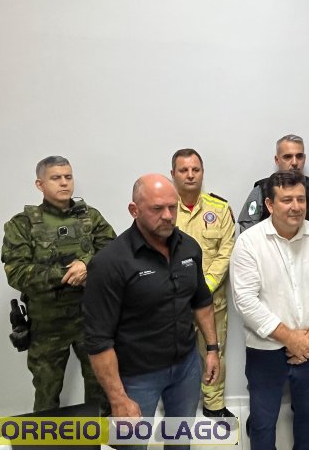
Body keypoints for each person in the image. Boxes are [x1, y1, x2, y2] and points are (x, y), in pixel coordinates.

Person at [83, 174, 220, 450]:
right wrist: (118, 398)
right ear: (134, 210)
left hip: (186, 368)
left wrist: (212, 349)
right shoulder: (110, 262)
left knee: (180, 442)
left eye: (172, 207)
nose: (168, 216)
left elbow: (202, 301)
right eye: (157, 209)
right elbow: (98, 340)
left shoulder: (189, 248)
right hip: (136, 377)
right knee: (132, 445)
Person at [231, 170, 309, 450]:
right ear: (269, 205)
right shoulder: (249, 242)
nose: (296, 206)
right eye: (287, 200)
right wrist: (291, 338)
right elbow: (245, 300)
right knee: (262, 422)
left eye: (301, 199)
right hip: (265, 351)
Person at [1, 156, 116, 412]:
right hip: (47, 325)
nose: (64, 183)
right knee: (47, 393)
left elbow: (113, 253)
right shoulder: (22, 224)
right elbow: (17, 273)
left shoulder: (91, 218)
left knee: (101, 388)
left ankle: (99, 433)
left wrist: (86, 264)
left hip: (90, 318)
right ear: (40, 184)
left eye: (68, 177)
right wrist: (67, 273)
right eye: (56, 178)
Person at [170, 148, 236, 419]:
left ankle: (214, 405)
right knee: (172, 357)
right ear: (173, 174)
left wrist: (204, 286)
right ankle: (177, 408)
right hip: (172, 302)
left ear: (202, 173)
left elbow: (227, 251)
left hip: (211, 301)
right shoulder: (162, 208)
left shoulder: (219, 209)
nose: (190, 175)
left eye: (195, 170)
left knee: (214, 353)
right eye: (183, 170)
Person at [237, 134, 309, 231]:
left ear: (304, 158)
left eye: (299, 156)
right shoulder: (259, 192)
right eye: (288, 157)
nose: (294, 162)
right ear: (277, 160)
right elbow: (249, 233)